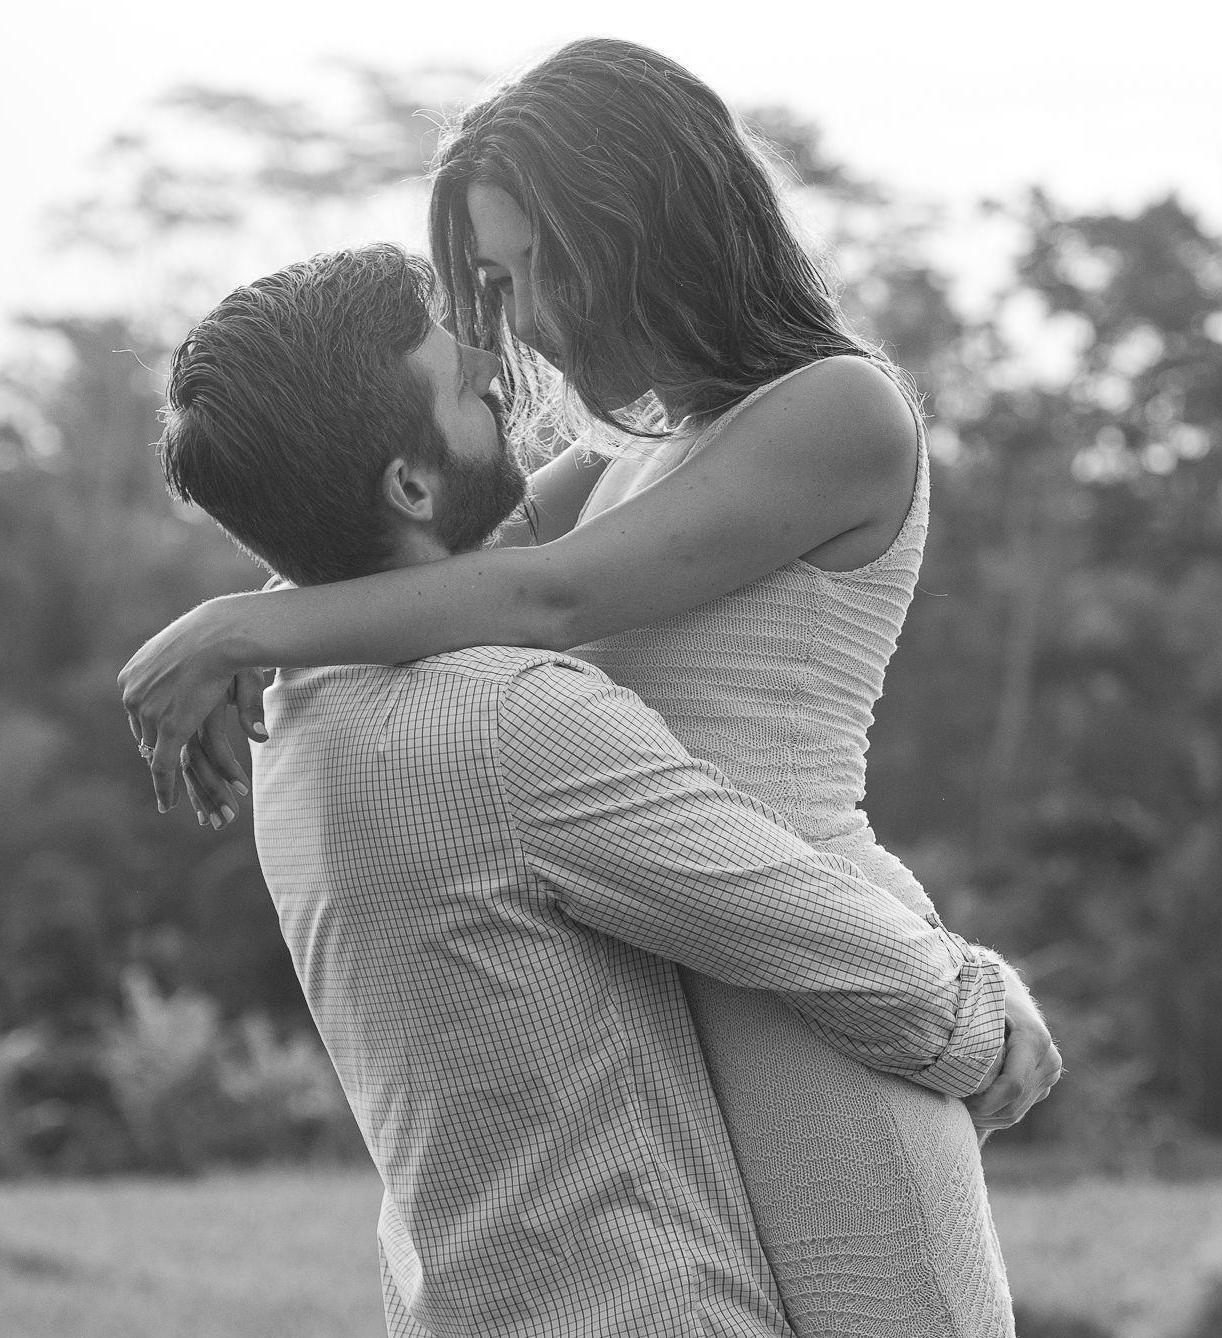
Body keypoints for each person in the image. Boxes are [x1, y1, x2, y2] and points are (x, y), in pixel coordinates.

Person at [121, 38, 1061, 1336]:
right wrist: (276, 609)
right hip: (674, 936)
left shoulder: (835, 409)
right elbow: (449, 562)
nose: (522, 330)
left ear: (645, 230)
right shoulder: (633, 449)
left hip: (812, 974)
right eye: (493, 285)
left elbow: (536, 601)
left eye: (533, 269)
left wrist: (241, 625)